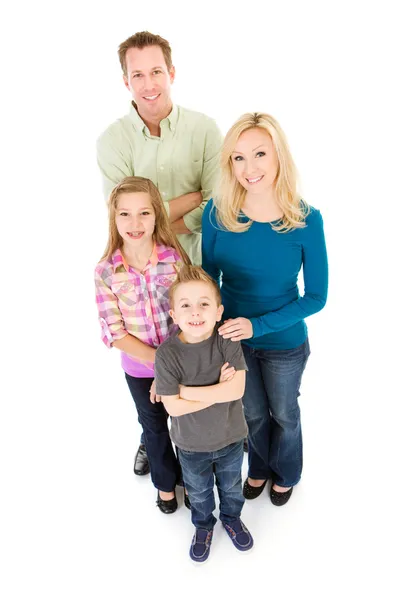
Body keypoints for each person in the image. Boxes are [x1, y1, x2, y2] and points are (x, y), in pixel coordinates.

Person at [97, 31, 222, 472]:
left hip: (201, 266)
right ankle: (153, 437)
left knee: (202, 353)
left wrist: (161, 217)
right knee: (148, 369)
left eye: (155, 71)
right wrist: (186, 199)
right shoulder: (112, 142)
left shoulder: (204, 129)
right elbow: (126, 212)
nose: (148, 83)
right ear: (125, 81)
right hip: (140, 273)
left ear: (171, 72)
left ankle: (213, 435)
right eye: (137, 74)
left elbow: (218, 202)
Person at [202, 112, 328, 507]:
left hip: (284, 342)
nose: (249, 167)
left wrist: (256, 326)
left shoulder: (307, 220)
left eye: (259, 154)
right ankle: (257, 468)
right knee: (252, 413)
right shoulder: (216, 213)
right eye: (238, 157)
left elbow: (316, 297)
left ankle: (287, 472)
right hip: (233, 342)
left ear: (279, 157)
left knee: (285, 414)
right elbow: (208, 280)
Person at [94, 176, 191, 514]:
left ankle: (191, 480)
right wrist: (157, 364)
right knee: (153, 427)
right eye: (125, 214)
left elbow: (188, 312)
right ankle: (166, 485)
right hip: (138, 370)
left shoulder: (173, 259)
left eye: (144, 213)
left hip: (181, 365)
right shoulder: (106, 271)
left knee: (184, 423)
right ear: (114, 218)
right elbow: (114, 332)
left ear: (156, 217)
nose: (135, 224)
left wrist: (172, 366)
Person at [155, 266, 253, 563]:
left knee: (232, 486)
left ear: (218, 310)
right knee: (197, 493)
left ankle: (231, 518)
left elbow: (236, 391)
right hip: (191, 445)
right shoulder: (167, 354)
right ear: (173, 313)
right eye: (185, 305)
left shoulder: (226, 341)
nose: (195, 312)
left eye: (204, 304)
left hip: (230, 437)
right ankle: (203, 525)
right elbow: (173, 407)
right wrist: (217, 389)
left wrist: (186, 390)